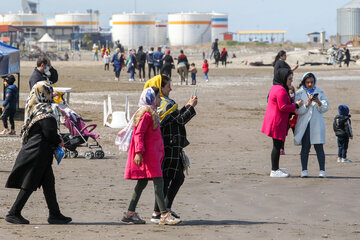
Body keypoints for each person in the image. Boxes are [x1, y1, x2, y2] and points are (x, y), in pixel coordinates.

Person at [5, 81, 71, 225]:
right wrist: (59, 140)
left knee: (49, 183)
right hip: (38, 152)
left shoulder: (33, 107)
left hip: (38, 151)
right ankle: (13, 212)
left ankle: (55, 214)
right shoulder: (44, 110)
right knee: (29, 183)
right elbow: (49, 133)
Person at [121, 87, 181, 225]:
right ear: (152, 99)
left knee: (142, 183)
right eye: (158, 97)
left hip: (152, 154)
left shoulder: (152, 113)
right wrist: (138, 152)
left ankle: (130, 213)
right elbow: (139, 134)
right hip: (148, 156)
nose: (160, 99)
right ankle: (164, 215)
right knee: (159, 183)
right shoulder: (146, 115)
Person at [143, 75, 197, 223]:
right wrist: (192, 107)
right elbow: (180, 120)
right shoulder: (164, 104)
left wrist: (186, 107)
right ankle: (159, 212)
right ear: (160, 88)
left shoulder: (161, 103)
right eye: (168, 86)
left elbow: (174, 118)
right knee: (168, 179)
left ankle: (163, 210)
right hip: (169, 146)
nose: (171, 88)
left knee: (173, 178)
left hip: (169, 145)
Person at [261, 69, 303, 177]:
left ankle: (275, 168)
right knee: (277, 145)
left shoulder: (276, 87)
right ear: (283, 78)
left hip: (274, 119)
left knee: (277, 145)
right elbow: (283, 107)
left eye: (291, 78)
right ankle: (274, 170)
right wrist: (296, 105)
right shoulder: (280, 89)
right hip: (277, 121)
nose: (291, 81)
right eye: (289, 79)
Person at [294, 72, 329, 178]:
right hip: (305, 124)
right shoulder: (299, 94)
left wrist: (318, 102)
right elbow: (298, 111)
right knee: (305, 147)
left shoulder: (320, 92)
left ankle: (322, 170)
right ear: (304, 82)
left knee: (319, 147)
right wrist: (307, 104)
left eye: (312, 82)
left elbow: (325, 108)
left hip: (317, 124)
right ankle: (304, 170)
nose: (310, 84)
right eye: (308, 82)